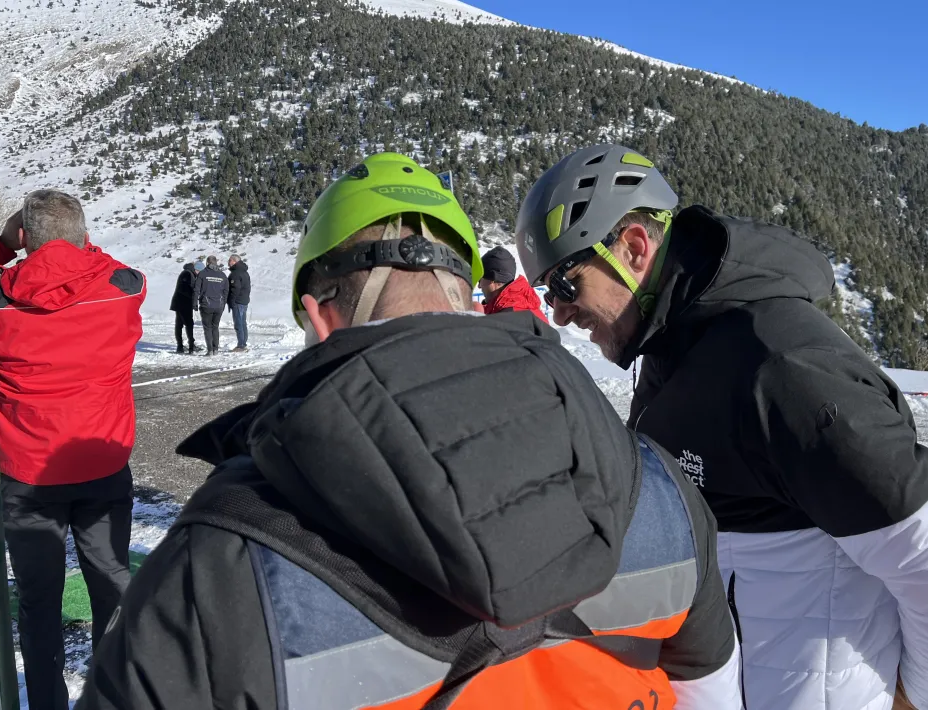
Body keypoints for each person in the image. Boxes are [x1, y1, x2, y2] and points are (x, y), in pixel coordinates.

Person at [77, 153, 743, 710]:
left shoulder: (222, 559)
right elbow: (711, 692)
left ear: (318, 317)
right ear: (469, 299)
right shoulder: (658, 487)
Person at [513, 144, 928, 710]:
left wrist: (916, 698)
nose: (557, 312)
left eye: (565, 285)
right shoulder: (671, 347)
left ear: (634, 248)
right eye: (547, 293)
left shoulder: (784, 373)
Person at [0, 190, 145, 710]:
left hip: (27, 478)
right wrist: (73, 246)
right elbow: (114, 267)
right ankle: (111, 698)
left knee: (39, 602)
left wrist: (0, 245)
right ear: (82, 236)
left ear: (24, 237)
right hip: (102, 466)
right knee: (112, 586)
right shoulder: (122, 290)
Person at [477, 245, 547, 322]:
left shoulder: (506, 320)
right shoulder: (526, 308)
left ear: (492, 279)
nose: (479, 286)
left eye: (480, 280)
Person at [193, 254, 228, 356]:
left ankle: (210, 350)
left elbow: (196, 290)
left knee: (207, 327)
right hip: (219, 305)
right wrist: (223, 304)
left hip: (206, 305)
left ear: (207, 263)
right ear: (216, 263)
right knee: (215, 327)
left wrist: (194, 303)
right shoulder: (222, 275)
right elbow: (226, 291)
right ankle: (215, 349)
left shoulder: (202, 274)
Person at [169, 260, 201, 353]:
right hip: (183, 303)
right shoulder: (187, 274)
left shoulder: (188, 273)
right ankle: (190, 346)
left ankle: (180, 346)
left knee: (179, 324)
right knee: (188, 324)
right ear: (196, 269)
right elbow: (184, 289)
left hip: (181, 302)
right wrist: (194, 295)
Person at [227, 253, 251, 351]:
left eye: (230, 260)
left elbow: (235, 289)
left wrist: (231, 301)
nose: (228, 262)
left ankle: (241, 345)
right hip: (244, 301)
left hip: (238, 301)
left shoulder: (236, 273)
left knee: (238, 324)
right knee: (243, 323)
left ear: (234, 261)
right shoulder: (244, 272)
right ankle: (243, 343)